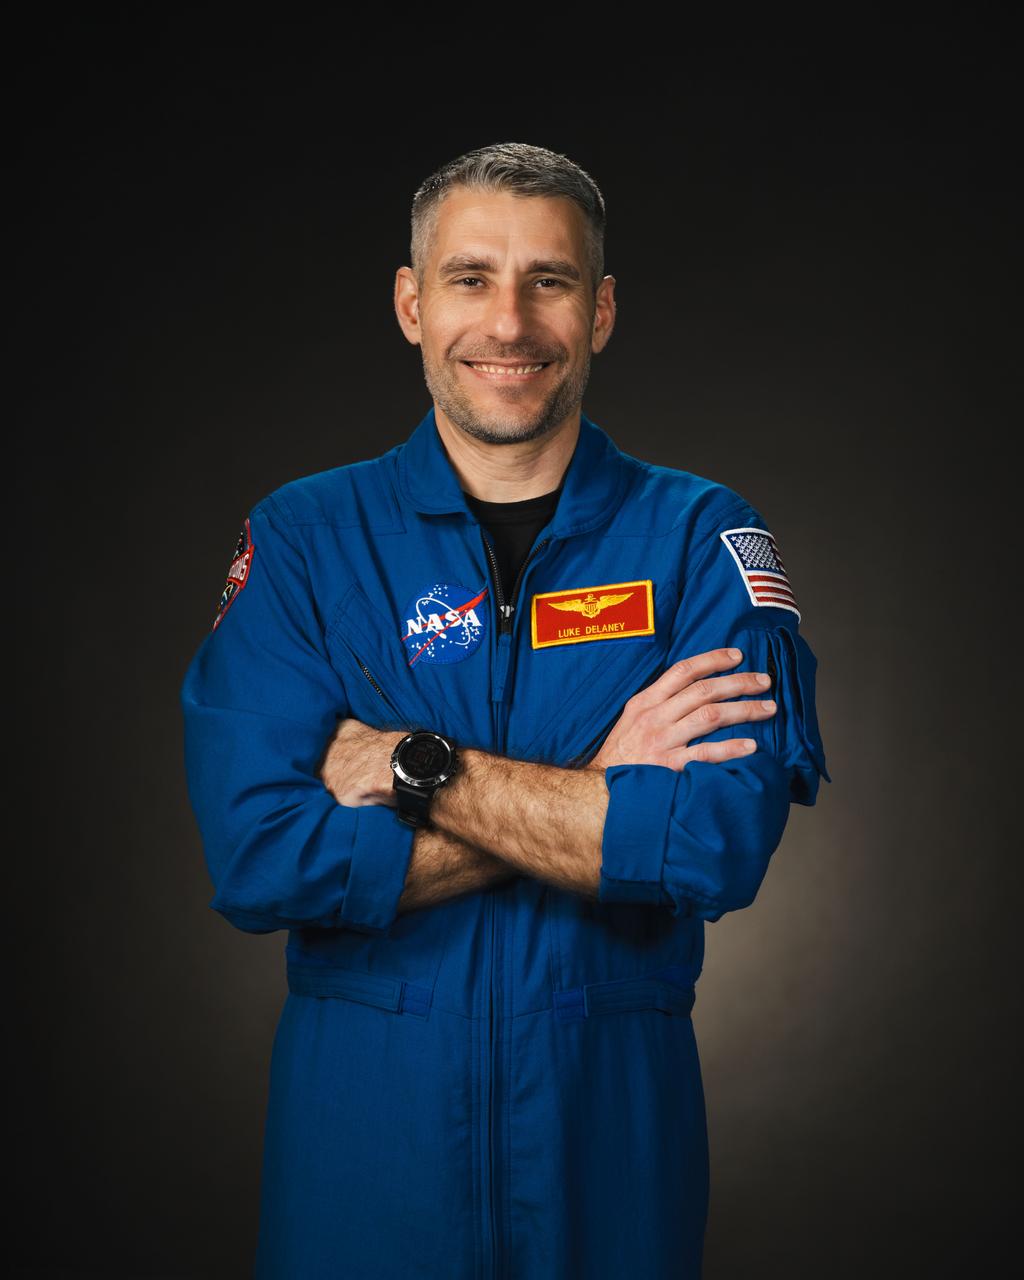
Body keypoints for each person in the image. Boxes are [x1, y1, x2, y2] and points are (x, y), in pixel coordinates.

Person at [180, 141, 831, 1280]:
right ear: (411, 302)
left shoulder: (698, 542)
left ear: (602, 310)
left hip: (609, 1152)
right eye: (472, 277)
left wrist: (413, 764)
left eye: (551, 280)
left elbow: (714, 845)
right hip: (361, 1162)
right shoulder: (303, 541)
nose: (510, 323)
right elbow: (259, 856)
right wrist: (597, 786)